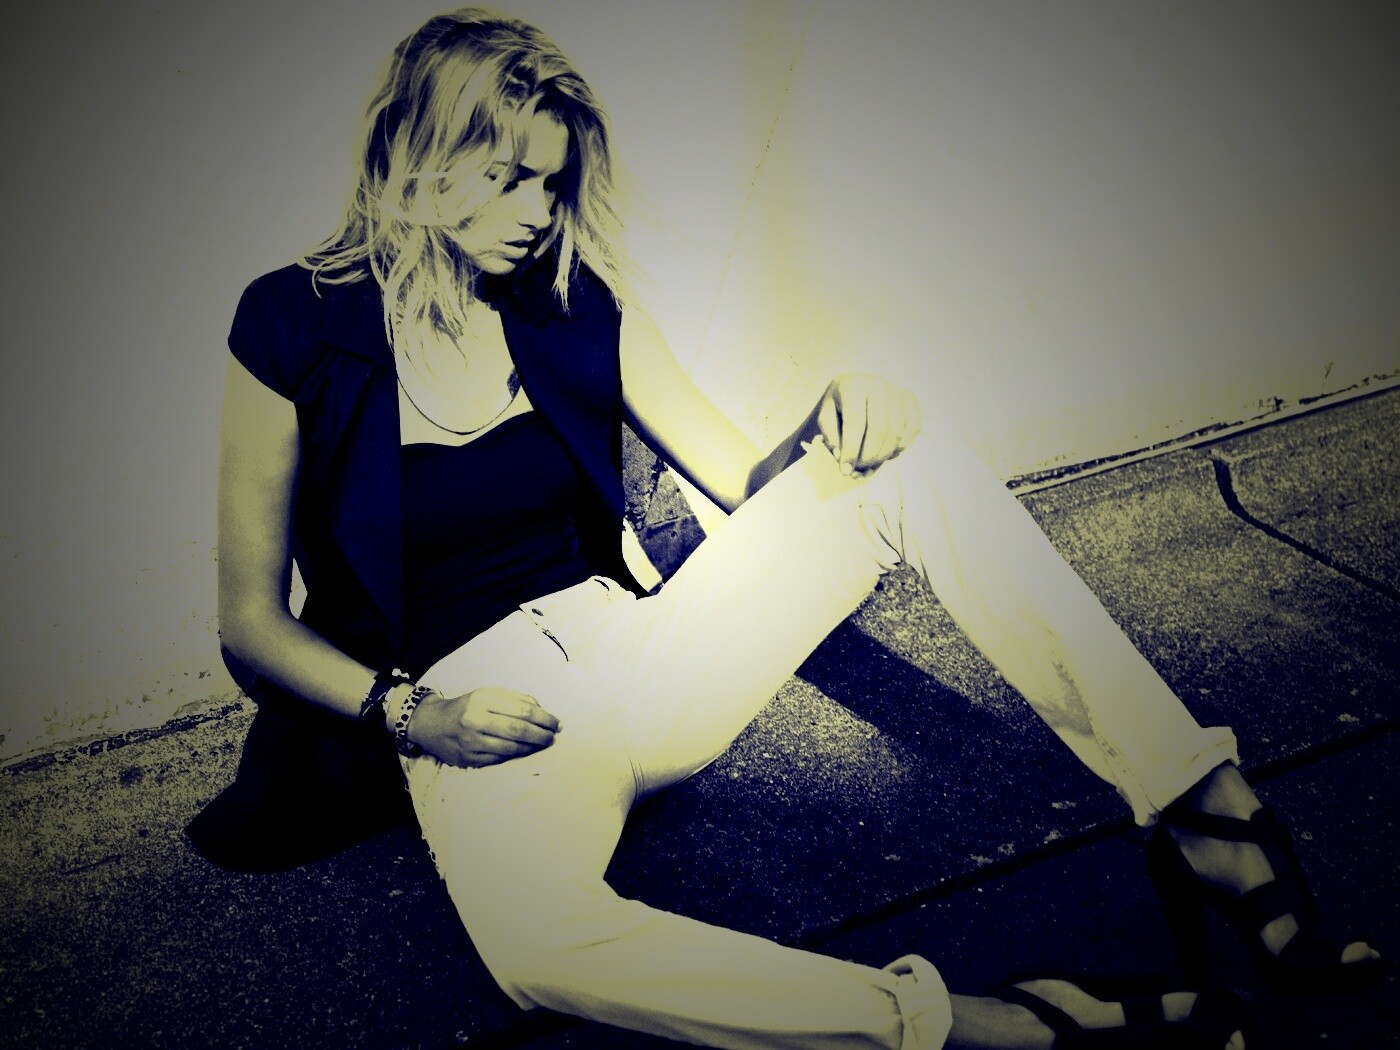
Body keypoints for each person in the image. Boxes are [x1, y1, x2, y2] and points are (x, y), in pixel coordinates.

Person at [188, 8, 1382, 1048]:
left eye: (550, 183)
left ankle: (1203, 809)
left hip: (637, 656)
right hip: (476, 713)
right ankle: (990, 1026)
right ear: (417, 155)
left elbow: (738, 481)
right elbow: (250, 624)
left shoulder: (570, 303)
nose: (538, 212)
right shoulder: (292, 324)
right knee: (541, 949)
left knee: (910, 466)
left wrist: (835, 420)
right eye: (507, 178)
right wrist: (410, 715)